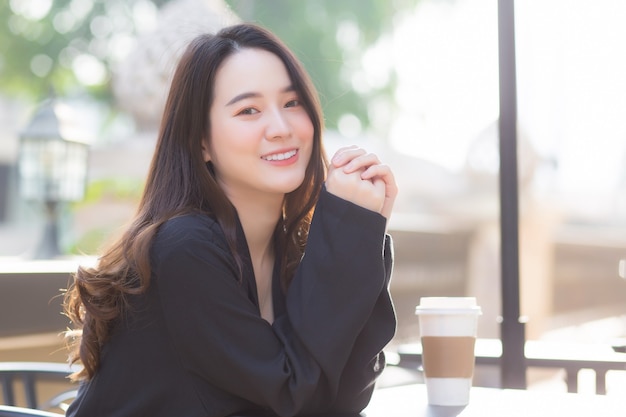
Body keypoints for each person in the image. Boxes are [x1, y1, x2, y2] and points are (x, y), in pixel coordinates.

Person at [63, 22, 398, 417]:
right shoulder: (184, 249)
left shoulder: (291, 251)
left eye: (292, 103)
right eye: (249, 110)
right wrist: (344, 234)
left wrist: (361, 234)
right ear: (201, 142)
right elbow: (291, 397)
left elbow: (339, 398)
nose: (281, 128)